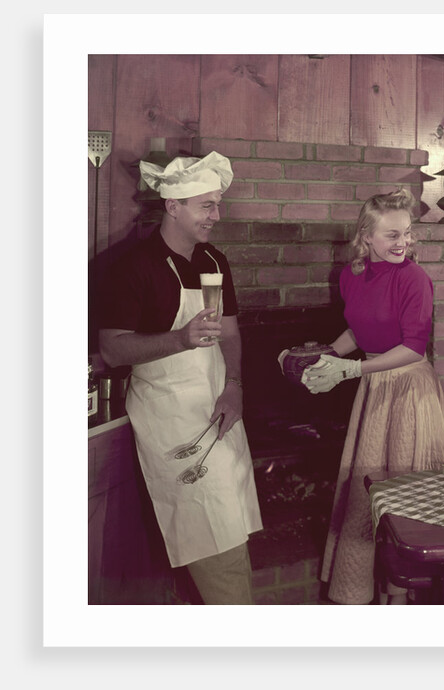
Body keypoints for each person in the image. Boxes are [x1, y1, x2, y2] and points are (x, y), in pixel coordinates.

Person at [99, 151, 262, 605]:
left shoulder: (214, 260)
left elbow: (229, 332)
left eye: (218, 203)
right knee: (209, 531)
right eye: (206, 205)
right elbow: (113, 347)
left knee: (233, 522)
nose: (217, 214)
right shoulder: (134, 265)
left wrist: (235, 386)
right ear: (173, 206)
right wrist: (181, 339)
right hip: (170, 416)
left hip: (218, 408)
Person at [280, 188, 444, 605]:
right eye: (392, 235)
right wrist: (325, 355)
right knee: (367, 497)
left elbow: (414, 347)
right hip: (374, 387)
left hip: (410, 391)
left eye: (407, 234)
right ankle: (363, 593)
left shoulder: (415, 279)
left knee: (407, 500)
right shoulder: (351, 276)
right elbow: (359, 330)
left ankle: (402, 600)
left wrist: (351, 369)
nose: (403, 243)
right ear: (367, 237)